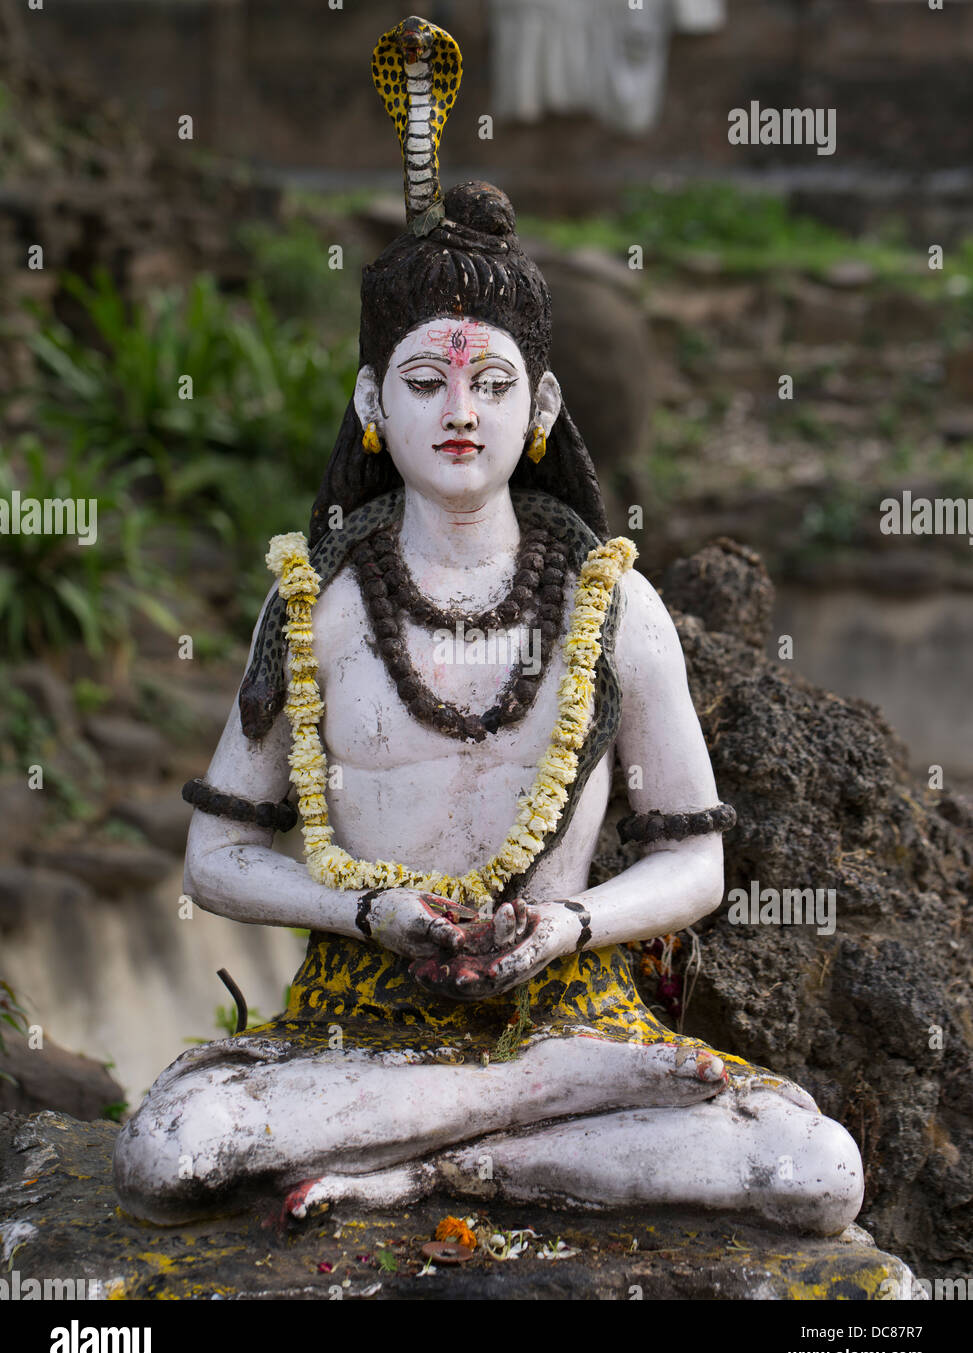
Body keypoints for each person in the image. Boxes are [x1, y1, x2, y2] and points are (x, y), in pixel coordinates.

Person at [113, 16, 863, 1235]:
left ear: (541, 405)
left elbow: (695, 861)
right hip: (364, 1023)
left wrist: (568, 923)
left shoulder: (611, 602)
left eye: (492, 383)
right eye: (423, 381)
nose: (459, 410)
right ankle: (516, 1122)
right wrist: (365, 912)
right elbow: (217, 858)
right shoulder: (315, 601)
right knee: (172, 1147)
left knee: (814, 1172)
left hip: (570, 1008)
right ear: (370, 401)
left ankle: (456, 1162)